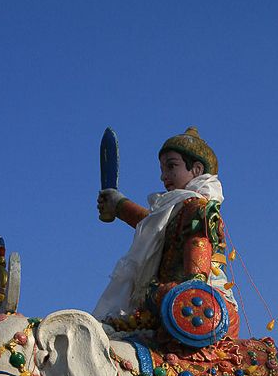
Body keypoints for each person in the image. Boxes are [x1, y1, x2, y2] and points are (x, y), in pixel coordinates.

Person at [94, 127, 239, 341]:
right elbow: (153, 225)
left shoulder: (199, 208)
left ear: (197, 170)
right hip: (173, 304)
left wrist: (162, 293)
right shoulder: (176, 210)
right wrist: (117, 204)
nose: (164, 176)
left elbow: (196, 272)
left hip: (200, 308)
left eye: (172, 167)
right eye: (162, 168)